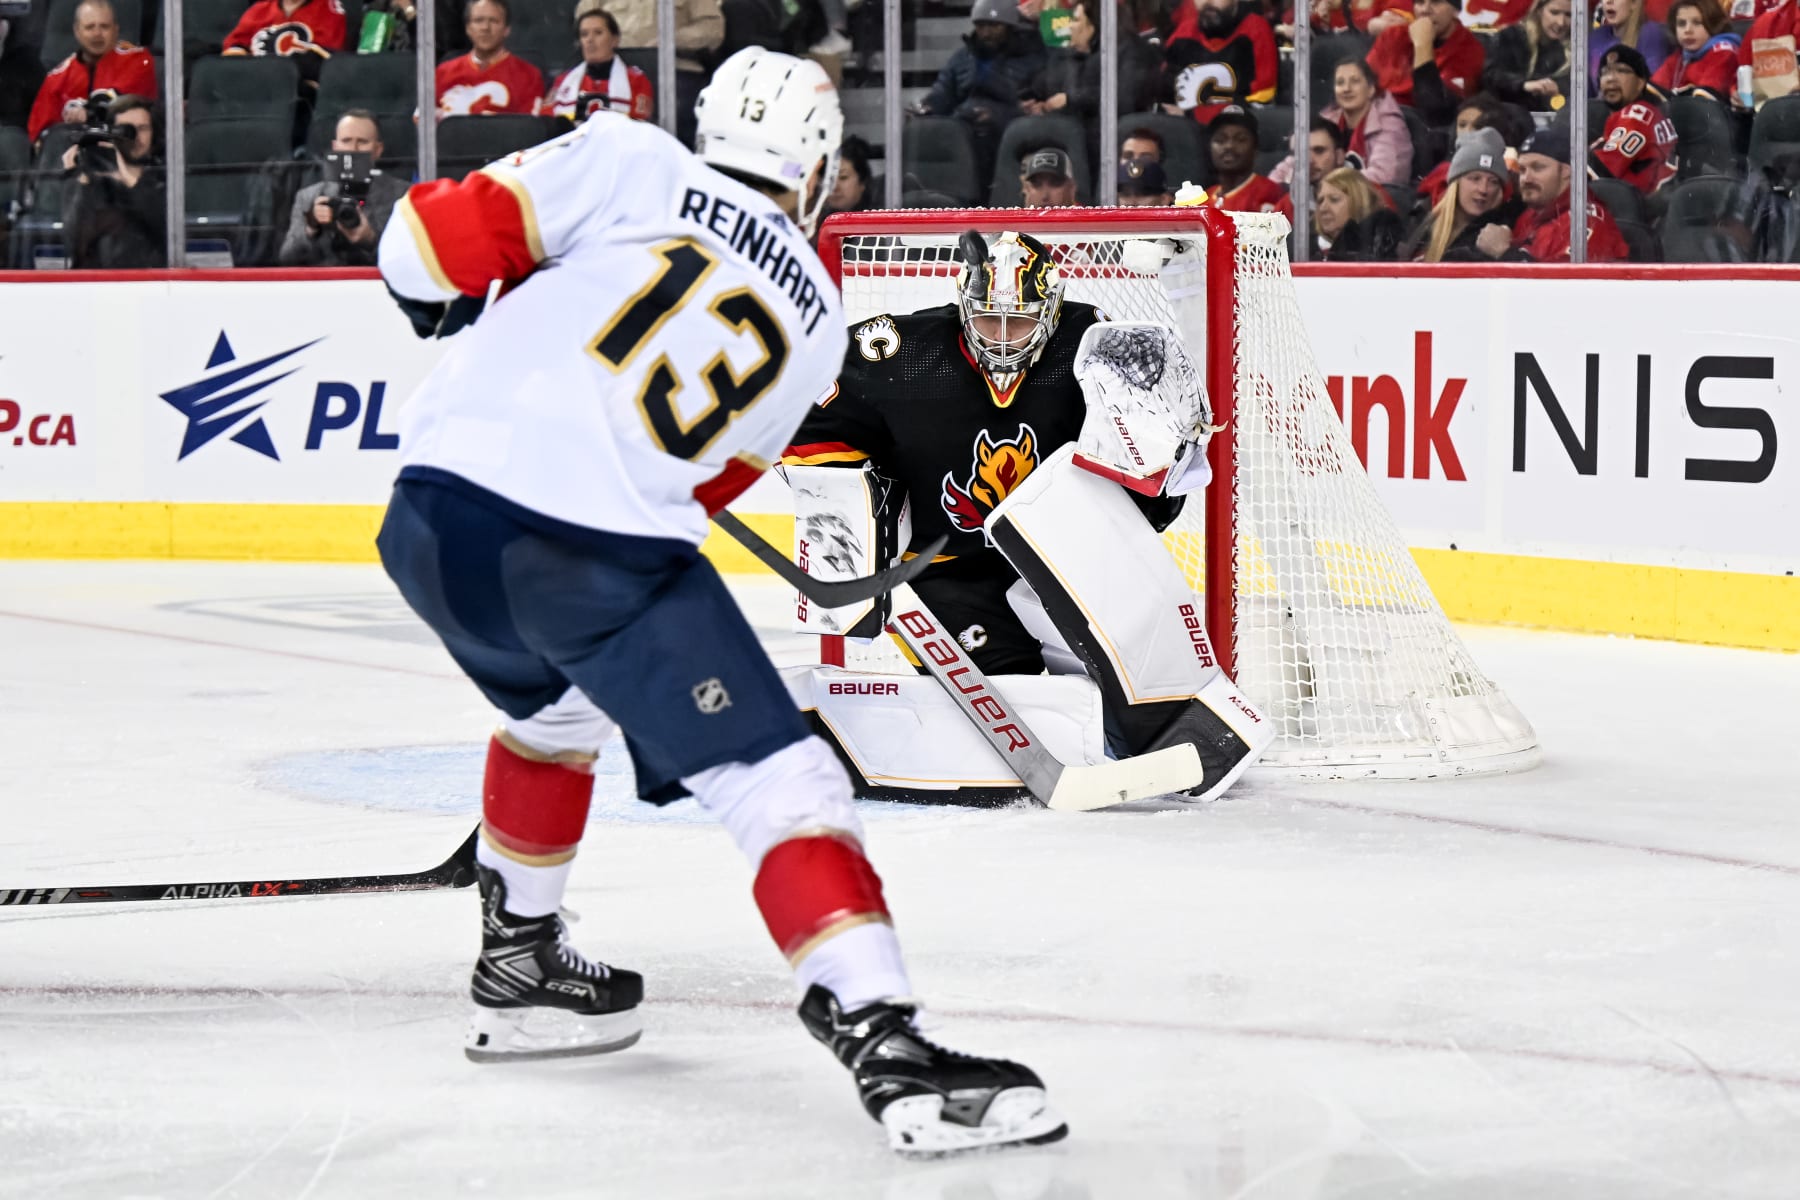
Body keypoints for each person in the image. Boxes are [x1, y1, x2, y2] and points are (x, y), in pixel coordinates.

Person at [375, 46, 1066, 1155]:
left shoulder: (629, 157)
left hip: (427, 523)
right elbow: (704, 485)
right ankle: (884, 1035)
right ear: (820, 168)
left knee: (553, 714)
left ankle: (521, 956)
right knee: (780, 778)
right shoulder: (819, 321)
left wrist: (451, 311)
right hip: (589, 546)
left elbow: (415, 248)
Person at [782, 232, 1268, 798]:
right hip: (948, 566)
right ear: (964, 304)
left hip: (1067, 557)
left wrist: (1157, 456)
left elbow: (1160, 470)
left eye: (1021, 321)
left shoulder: (1094, 343)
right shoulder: (899, 351)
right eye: (990, 321)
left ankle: (1170, 720)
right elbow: (805, 421)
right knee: (1003, 702)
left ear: (1052, 308)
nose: (1005, 338)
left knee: (1134, 686)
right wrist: (853, 520)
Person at [911, 0, 1044, 184]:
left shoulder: (1032, 57)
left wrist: (1000, 114)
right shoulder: (962, 58)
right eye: (981, 26)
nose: (986, 33)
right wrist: (928, 106)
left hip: (1009, 133)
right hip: (963, 130)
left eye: (993, 26)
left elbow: (1036, 105)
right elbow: (943, 92)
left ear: (1009, 26)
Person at [1020, 0, 1157, 167]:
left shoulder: (1131, 51)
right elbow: (1046, 83)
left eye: (1076, 20)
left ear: (1096, 25)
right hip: (1075, 138)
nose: (1070, 27)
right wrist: (1034, 101)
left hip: (1111, 141)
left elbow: (1124, 99)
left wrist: (1071, 99)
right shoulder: (1074, 55)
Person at [1474, 123, 1630, 259]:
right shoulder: (1529, 216)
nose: (1526, 178)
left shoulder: (1585, 221)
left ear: (1566, 172)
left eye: (1538, 168)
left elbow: (1563, 288)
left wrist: (1504, 252)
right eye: (1522, 169)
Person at [278, 109, 408, 266]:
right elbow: (287, 259)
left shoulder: (403, 196)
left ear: (378, 150)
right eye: (346, 141)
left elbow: (409, 260)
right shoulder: (309, 197)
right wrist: (311, 228)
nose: (353, 149)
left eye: (362, 142)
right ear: (336, 146)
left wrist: (370, 240)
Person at [27, 0, 157, 146]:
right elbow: (40, 135)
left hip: (123, 150)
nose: (97, 34)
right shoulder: (57, 78)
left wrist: (88, 113)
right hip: (70, 157)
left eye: (104, 27)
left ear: (116, 29)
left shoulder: (138, 60)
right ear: (77, 31)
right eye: (89, 27)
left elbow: (125, 104)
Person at [59, 92, 163, 268]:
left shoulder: (164, 177)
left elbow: (160, 227)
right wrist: (75, 177)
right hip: (94, 284)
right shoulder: (97, 181)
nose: (136, 137)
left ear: (154, 133)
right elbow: (72, 240)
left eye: (143, 128)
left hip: (146, 283)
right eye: (127, 130)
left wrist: (126, 175)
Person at [609, 0, 723, 147]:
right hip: (614, 72)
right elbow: (585, 22)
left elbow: (713, 29)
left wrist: (669, 39)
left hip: (675, 71)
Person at [1399, 126, 1516, 259]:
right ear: (1456, 183)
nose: (1483, 189)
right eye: (1474, 179)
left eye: (1493, 182)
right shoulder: (1421, 219)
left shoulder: (1499, 235)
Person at [1366, 0, 1487, 121]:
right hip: (1374, 120)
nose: (1425, 10)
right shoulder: (1392, 36)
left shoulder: (1470, 51)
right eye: (1420, 2)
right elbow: (1362, 83)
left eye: (1436, 2)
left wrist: (1422, 45)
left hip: (1422, 130)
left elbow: (1436, 111)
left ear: (1456, 11)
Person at [1161, 0, 1278, 124]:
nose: (1207, 2)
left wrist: (1196, 114)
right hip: (1187, 129)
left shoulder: (1256, 30)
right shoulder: (1183, 33)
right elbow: (1165, 92)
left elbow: (1262, 98)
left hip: (1240, 127)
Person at [542, 0, 653, 122]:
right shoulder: (563, 81)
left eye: (598, 33)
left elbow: (640, 127)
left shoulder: (636, 81)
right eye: (584, 34)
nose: (590, 39)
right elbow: (546, 121)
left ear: (614, 40)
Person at [1592, 44, 1678, 195]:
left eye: (1621, 71)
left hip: (1646, 210)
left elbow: (1598, 169)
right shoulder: (1645, 113)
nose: (1611, 79)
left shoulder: (1638, 115)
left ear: (1641, 82)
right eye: (1605, 73)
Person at [436, 0, 543, 117]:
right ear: (468, 28)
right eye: (478, 20)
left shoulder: (529, 76)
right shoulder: (443, 72)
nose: (485, 27)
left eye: (493, 21)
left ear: (507, 30)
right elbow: (422, 120)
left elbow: (529, 129)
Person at [1318, 58, 1413, 186]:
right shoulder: (1326, 121)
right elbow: (1297, 164)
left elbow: (1385, 176)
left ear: (1371, 89)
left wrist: (1330, 183)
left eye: (1355, 81)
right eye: (1340, 83)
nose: (1346, 89)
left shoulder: (1389, 124)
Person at [1202, 105, 1294, 217]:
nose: (1229, 146)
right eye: (1220, 140)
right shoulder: (1205, 197)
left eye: (1241, 139)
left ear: (1255, 148)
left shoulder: (1269, 192)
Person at [1481, 0, 1572, 111]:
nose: (1561, 22)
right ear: (1539, 10)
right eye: (1554, 12)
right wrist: (1523, 85)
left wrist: (1560, 87)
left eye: (1569, 15)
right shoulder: (1511, 37)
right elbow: (1491, 76)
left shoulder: (1581, 47)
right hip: (1509, 115)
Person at [1314, 165, 1404, 259]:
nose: (1323, 208)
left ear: (1359, 201)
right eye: (1320, 201)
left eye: (1334, 200)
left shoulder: (1384, 250)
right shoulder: (1310, 250)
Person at [1651, 0, 1740, 95]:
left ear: (1713, 24)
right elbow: (1653, 90)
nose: (1688, 30)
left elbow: (1705, 96)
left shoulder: (1725, 53)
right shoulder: (1679, 57)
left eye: (1697, 23)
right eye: (1681, 24)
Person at [222, 0, 347, 59]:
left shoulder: (329, 10)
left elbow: (325, 59)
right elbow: (234, 45)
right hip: (254, 82)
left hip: (299, 88)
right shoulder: (259, 10)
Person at [1590, 0, 1674, 85]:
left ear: (1633, 3)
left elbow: (1651, 86)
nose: (1609, 1)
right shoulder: (1596, 38)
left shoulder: (1652, 34)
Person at [823, 134, 875, 214]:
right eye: (830, 179)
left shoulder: (877, 220)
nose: (835, 187)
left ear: (862, 182)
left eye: (843, 177)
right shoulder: (814, 223)